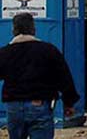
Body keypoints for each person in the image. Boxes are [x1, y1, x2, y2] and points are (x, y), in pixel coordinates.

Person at [0, 11, 80, 139]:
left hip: (13, 106)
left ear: (13, 30)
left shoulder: (4, 53)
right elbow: (64, 78)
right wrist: (69, 103)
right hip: (39, 104)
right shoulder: (48, 50)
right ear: (33, 29)